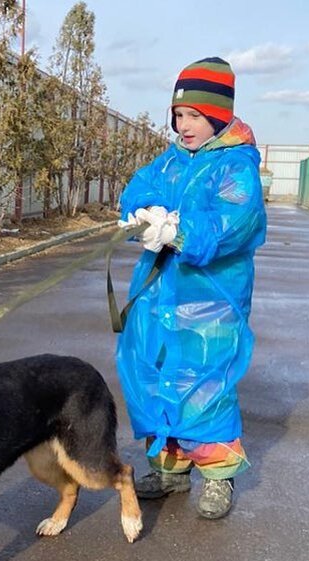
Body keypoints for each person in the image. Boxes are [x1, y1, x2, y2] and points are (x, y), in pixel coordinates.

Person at [115, 57, 266, 519]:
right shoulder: (171, 161)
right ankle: (169, 469)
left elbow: (235, 222)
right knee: (155, 375)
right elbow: (137, 189)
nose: (184, 125)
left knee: (205, 385)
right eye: (178, 115)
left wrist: (179, 230)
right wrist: (145, 214)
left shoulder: (236, 165)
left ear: (218, 115)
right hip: (158, 296)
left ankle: (218, 476)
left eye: (194, 116)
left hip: (210, 300)